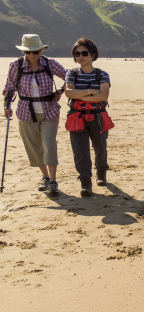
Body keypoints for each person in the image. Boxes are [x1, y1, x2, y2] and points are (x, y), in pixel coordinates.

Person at [3, 34, 67, 195]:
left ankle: (53, 180)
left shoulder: (49, 63)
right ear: (24, 51)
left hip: (49, 110)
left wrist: (60, 91)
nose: (32, 55)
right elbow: (9, 87)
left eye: (36, 51)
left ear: (41, 50)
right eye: (28, 52)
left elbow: (69, 76)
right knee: (34, 146)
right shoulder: (15, 65)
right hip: (25, 112)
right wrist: (6, 105)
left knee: (49, 144)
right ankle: (45, 176)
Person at [64, 38, 112, 197]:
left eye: (84, 53)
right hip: (77, 117)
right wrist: (91, 91)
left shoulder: (102, 73)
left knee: (100, 148)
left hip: (98, 116)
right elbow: (68, 93)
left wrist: (80, 95)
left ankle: (101, 173)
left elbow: (104, 96)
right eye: (77, 54)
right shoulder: (71, 73)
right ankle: (85, 181)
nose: (80, 56)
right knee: (80, 151)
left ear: (93, 54)